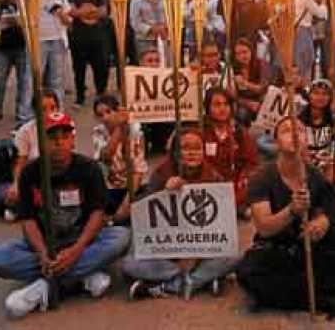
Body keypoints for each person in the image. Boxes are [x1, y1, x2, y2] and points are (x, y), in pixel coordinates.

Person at [0, 112, 130, 318]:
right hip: (44, 244)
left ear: (72, 141)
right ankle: (80, 277)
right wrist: (43, 253)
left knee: (121, 238)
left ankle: (43, 287)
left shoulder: (89, 169)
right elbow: (27, 219)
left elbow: (97, 214)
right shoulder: (30, 172)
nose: (59, 143)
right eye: (52, 139)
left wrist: (76, 250)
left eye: (64, 137)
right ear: (42, 143)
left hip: (81, 241)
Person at [237, 117, 335, 321]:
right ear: (276, 142)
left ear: (306, 140)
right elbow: (265, 227)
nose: (294, 134)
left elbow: (333, 206)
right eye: (286, 130)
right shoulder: (262, 178)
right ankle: (323, 300)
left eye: (300, 130)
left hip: (309, 248)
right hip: (275, 249)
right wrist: (292, 210)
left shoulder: (314, 175)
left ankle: (278, 295)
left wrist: (323, 221)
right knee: (247, 273)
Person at [122, 126, 239, 299]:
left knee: (233, 256)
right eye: (185, 148)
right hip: (167, 250)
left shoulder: (214, 177)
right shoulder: (162, 173)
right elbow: (143, 216)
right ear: (176, 151)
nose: (192, 153)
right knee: (129, 264)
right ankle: (197, 279)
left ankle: (171, 284)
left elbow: (224, 222)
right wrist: (164, 191)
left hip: (201, 248)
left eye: (197, 148)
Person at [203, 87, 259, 217]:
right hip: (209, 182)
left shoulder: (239, 132)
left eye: (226, 104)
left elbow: (252, 161)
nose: (222, 109)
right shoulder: (200, 131)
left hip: (235, 183)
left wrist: (244, 176)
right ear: (207, 108)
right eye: (217, 104)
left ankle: (232, 207)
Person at [92, 95, 148, 225]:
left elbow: (138, 171)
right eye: (100, 115)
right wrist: (119, 128)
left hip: (133, 187)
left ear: (118, 111)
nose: (105, 118)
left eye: (108, 112)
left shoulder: (135, 131)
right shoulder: (98, 132)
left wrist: (126, 205)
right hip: (109, 187)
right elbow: (106, 157)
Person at [6, 90, 61, 216]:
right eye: (43, 109)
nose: (49, 113)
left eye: (53, 108)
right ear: (35, 112)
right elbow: (21, 161)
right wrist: (16, 184)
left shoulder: (66, 125)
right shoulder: (25, 131)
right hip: (34, 177)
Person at [67, 0, 109, 108]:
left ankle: (101, 94)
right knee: (79, 68)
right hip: (78, 37)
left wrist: (86, 11)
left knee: (101, 66)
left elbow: (103, 12)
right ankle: (80, 97)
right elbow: (72, 12)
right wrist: (89, 11)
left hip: (97, 36)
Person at [298, 79, 335, 180]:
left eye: (325, 94)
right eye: (316, 93)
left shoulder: (332, 118)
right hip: (305, 157)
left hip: (326, 157)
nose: (320, 97)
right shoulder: (300, 118)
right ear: (309, 96)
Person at [40, 0, 71, 107]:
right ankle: (33, 112)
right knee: (35, 78)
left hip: (57, 39)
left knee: (56, 79)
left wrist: (63, 17)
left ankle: (58, 109)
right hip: (39, 41)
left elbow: (68, 18)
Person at [129, 0, 168, 64]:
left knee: (165, 66)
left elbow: (171, 14)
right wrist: (151, 29)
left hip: (164, 38)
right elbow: (135, 21)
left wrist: (166, 26)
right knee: (148, 70)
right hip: (144, 40)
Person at [294, 0, 327, 83]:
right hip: (304, 30)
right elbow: (321, 13)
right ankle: (304, 85)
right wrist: (323, 0)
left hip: (299, 30)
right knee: (306, 60)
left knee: (302, 60)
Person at [231, 38, 266, 127]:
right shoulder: (233, 69)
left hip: (260, 100)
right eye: (238, 54)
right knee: (242, 114)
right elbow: (232, 95)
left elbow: (262, 89)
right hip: (242, 102)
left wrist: (245, 83)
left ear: (251, 51)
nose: (242, 56)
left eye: (245, 52)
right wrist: (247, 103)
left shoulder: (260, 64)